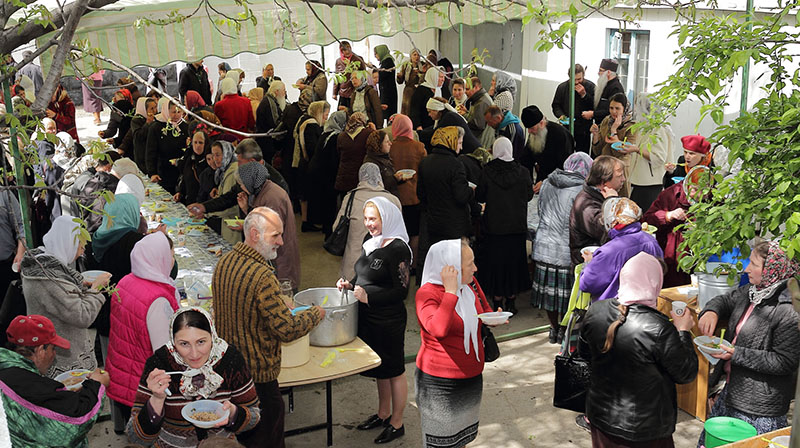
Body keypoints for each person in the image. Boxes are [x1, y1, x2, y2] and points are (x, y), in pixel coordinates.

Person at [212, 207, 324, 448]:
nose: (281, 242)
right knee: (267, 438)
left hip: (229, 373)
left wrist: (276, 303)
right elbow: (286, 329)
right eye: (276, 235)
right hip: (258, 380)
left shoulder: (225, 261)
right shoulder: (262, 275)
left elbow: (243, 306)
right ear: (255, 234)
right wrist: (316, 313)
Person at [579, 253, 698, 447]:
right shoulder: (658, 327)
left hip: (601, 417)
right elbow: (686, 373)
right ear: (655, 284)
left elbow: (584, 354)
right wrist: (683, 331)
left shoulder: (596, 310)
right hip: (645, 429)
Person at [696, 240, 800, 446]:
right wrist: (711, 311)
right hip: (732, 392)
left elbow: (785, 361)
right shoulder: (753, 291)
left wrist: (736, 353)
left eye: (754, 264)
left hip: (759, 408)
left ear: (771, 270)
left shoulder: (787, 309)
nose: (746, 269)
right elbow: (725, 300)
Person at [127, 307, 261, 446]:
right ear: (173, 342)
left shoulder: (231, 360)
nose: (194, 354)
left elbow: (254, 417)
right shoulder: (159, 365)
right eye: (184, 344)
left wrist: (233, 414)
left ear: (213, 336)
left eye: (201, 342)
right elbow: (136, 438)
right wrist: (157, 399)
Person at [337, 197, 411, 444]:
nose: (369, 224)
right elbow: (363, 275)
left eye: (373, 219)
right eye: (366, 219)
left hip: (388, 320)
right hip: (369, 317)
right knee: (380, 368)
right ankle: (383, 414)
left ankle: (397, 423)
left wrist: (370, 297)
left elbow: (402, 291)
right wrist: (350, 285)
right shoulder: (370, 241)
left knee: (395, 370)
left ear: (386, 218)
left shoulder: (398, 249)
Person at [415, 239, 500, 448]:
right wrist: (451, 293)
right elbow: (438, 329)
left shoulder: (470, 285)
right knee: (441, 443)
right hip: (440, 384)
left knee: (461, 439)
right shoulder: (427, 294)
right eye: (470, 264)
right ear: (450, 268)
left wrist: (493, 318)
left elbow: (484, 310)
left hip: (470, 379)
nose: (475, 268)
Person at [106, 232, 178, 435]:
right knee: (148, 435)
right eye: (171, 254)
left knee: (135, 433)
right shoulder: (157, 300)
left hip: (123, 377)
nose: (173, 260)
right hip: (144, 387)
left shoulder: (126, 281)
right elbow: (164, 353)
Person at [20, 216, 110, 376]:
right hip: (62, 360)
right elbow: (82, 315)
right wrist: (96, 289)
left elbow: (63, 292)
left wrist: (80, 284)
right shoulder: (49, 280)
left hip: (58, 350)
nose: (82, 251)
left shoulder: (42, 263)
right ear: (67, 243)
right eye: (80, 246)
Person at [0, 314, 109, 446]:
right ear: (41, 350)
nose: (54, 354)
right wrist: (97, 384)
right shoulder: (29, 385)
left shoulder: (7, 368)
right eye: (53, 348)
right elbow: (74, 420)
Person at [532, 152, 593, 343]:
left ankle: (553, 328)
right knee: (567, 295)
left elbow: (540, 210)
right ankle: (564, 331)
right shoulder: (582, 190)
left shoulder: (547, 182)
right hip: (567, 248)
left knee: (549, 295)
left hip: (544, 245)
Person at [642, 135, 713, 287]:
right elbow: (647, 219)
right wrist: (668, 215)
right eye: (685, 152)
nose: (687, 156)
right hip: (673, 257)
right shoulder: (672, 193)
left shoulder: (715, 197)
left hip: (703, 256)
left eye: (692, 153)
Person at [475, 137, 533, 314]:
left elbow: (480, 196)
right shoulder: (523, 172)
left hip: (494, 227)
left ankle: (497, 301)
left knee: (496, 265)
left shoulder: (487, 171)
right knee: (513, 264)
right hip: (516, 227)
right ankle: (512, 301)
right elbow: (529, 195)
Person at [579, 197, 664, 301]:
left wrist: (589, 263)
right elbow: (660, 271)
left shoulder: (608, 251)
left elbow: (586, 284)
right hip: (646, 305)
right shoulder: (651, 241)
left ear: (612, 221)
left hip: (613, 307)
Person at [417, 126, 473, 274]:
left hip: (434, 222)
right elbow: (461, 196)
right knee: (455, 264)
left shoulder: (425, 163)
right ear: (451, 141)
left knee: (439, 263)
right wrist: (470, 191)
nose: (461, 147)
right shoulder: (456, 165)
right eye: (459, 143)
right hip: (454, 224)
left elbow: (421, 194)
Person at [237, 161, 301, 288]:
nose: (242, 188)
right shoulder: (264, 191)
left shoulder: (272, 198)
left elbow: (270, 232)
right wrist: (246, 209)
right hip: (276, 257)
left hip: (280, 258)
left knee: (283, 293)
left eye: (242, 184)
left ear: (251, 181)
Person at [335, 163, 402, 280]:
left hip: (353, 264)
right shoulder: (393, 200)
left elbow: (336, 228)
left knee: (351, 291)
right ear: (379, 177)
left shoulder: (350, 198)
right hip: (384, 264)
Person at [569, 155, 625, 266]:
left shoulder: (600, 196)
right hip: (589, 267)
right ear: (604, 182)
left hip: (602, 262)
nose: (623, 179)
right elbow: (610, 232)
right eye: (619, 176)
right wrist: (612, 201)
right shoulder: (586, 205)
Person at [388, 114, 426, 264]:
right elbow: (424, 171)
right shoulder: (419, 147)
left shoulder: (390, 147)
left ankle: (397, 265)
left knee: (395, 233)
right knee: (414, 233)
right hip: (414, 197)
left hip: (394, 197)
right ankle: (413, 264)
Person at [624, 93, 671, 212]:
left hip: (650, 183)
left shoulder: (658, 129)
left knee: (644, 217)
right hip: (640, 180)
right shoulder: (644, 127)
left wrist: (636, 149)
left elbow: (659, 157)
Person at [308, 110, 347, 237]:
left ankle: (326, 229)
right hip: (328, 174)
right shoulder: (336, 136)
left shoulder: (326, 133)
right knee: (330, 204)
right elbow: (333, 159)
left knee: (326, 203)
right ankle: (329, 233)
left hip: (318, 172)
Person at [293, 100, 331, 231]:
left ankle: (306, 221)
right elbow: (312, 148)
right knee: (309, 194)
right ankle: (308, 222)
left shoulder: (303, 120)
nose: (326, 118)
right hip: (309, 164)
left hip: (303, 162)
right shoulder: (312, 125)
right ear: (319, 112)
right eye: (325, 114)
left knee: (304, 194)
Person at [590, 92, 636, 197]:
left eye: (617, 108)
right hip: (605, 168)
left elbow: (622, 151)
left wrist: (614, 130)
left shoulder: (632, 125)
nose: (614, 111)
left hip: (620, 169)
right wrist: (595, 135)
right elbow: (597, 150)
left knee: (619, 199)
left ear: (624, 109)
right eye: (611, 108)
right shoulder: (607, 121)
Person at [521, 105, 574, 190]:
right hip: (540, 181)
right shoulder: (534, 134)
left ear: (541, 123)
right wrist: (528, 182)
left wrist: (546, 181)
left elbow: (564, 166)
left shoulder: (561, 134)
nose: (529, 131)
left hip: (558, 184)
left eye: (531, 128)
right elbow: (526, 160)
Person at [146, 98, 188, 193]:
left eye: (179, 112)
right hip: (164, 172)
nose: (176, 115)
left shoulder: (185, 127)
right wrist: (152, 173)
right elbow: (151, 152)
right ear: (166, 111)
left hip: (181, 172)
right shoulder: (156, 127)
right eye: (173, 112)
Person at [552, 64, 596, 153]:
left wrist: (584, 95)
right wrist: (561, 116)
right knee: (565, 152)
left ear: (583, 76)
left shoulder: (591, 87)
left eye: (579, 79)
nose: (576, 82)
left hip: (584, 129)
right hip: (567, 127)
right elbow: (556, 105)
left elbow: (594, 106)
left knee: (582, 154)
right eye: (573, 79)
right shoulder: (562, 87)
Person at [335, 112, 375, 196]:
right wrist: (374, 130)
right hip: (360, 178)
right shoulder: (369, 133)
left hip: (343, 178)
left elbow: (338, 154)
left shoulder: (341, 136)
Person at [175, 124, 211, 204]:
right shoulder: (190, 158)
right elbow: (184, 176)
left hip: (203, 204)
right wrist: (180, 192)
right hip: (189, 201)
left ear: (206, 144)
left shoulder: (210, 161)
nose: (197, 146)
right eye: (195, 142)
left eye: (200, 143)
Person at [0, 190, 26, 303]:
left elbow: (21, 224)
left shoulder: (4, 193)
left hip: (5, 265)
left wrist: (20, 252)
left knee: (9, 307)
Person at [585, 58, 625, 127]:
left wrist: (593, 114)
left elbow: (612, 110)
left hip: (609, 126)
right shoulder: (605, 85)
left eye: (601, 70)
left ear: (608, 72)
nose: (598, 73)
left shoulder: (616, 88)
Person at [255, 80, 286, 162]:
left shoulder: (270, 100)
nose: (285, 93)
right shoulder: (270, 103)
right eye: (283, 90)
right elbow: (275, 122)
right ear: (276, 91)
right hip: (266, 140)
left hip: (265, 139)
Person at [364, 130, 398, 196]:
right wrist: (395, 179)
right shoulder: (371, 164)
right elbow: (375, 186)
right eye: (387, 142)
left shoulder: (384, 157)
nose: (390, 143)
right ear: (378, 145)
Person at [333, 41, 366, 108]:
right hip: (343, 91)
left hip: (356, 90)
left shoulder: (358, 59)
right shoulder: (338, 61)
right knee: (342, 111)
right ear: (341, 51)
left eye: (348, 48)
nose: (347, 51)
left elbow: (364, 75)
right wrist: (334, 93)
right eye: (344, 50)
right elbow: (336, 77)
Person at [130, 97, 158, 173]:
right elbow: (138, 136)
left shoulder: (156, 118)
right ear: (144, 109)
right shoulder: (136, 120)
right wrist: (147, 123)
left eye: (155, 107)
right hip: (142, 155)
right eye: (151, 109)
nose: (155, 111)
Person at [397, 48, 425, 116]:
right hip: (408, 92)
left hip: (419, 91)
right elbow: (400, 82)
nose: (416, 57)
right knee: (407, 112)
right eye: (414, 55)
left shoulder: (423, 65)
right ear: (411, 56)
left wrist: (420, 73)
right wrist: (399, 76)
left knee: (417, 111)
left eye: (418, 55)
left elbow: (425, 78)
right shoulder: (406, 65)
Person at [374, 45, 398, 121]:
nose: (375, 56)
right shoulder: (384, 62)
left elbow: (382, 75)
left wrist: (374, 69)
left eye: (376, 53)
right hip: (387, 91)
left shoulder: (388, 61)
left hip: (388, 93)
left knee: (388, 114)